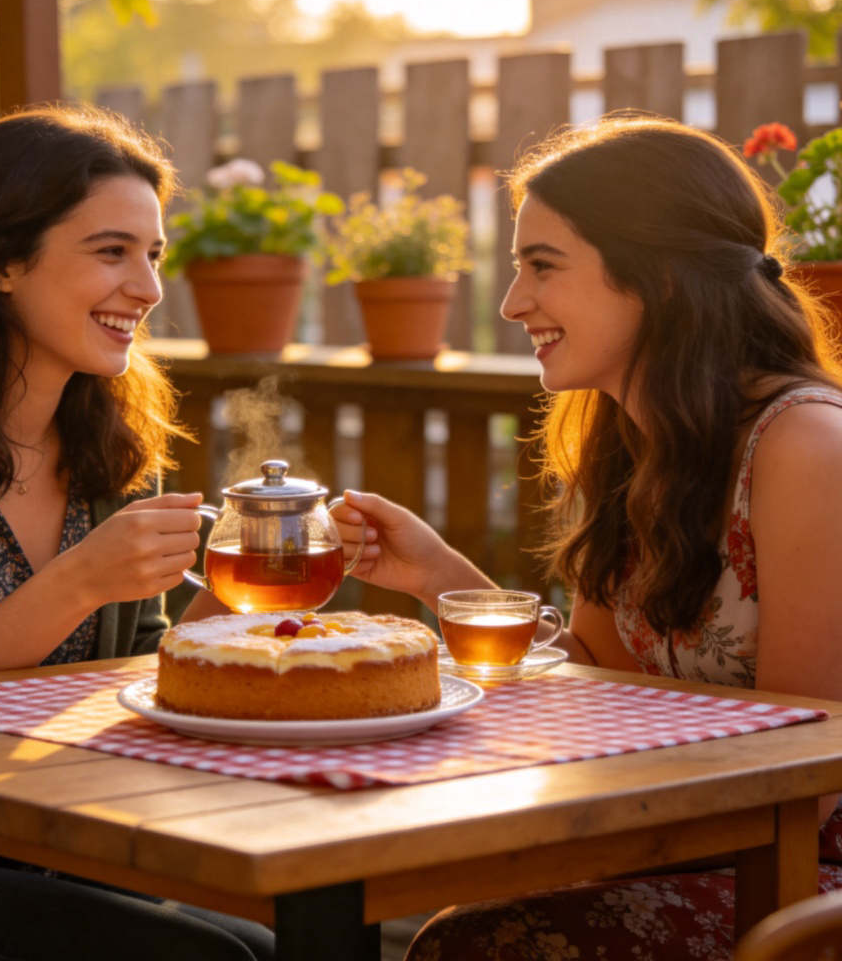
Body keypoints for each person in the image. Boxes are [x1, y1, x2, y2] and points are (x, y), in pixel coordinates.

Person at [333, 113, 842, 960]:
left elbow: (802, 774)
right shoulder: (632, 444)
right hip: (695, 853)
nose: (511, 303)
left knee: (485, 945)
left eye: (543, 267)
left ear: (662, 278)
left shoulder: (805, 448)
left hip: (806, 883)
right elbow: (595, 680)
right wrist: (441, 579)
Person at [0, 104, 273, 961]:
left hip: (76, 839)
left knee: (266, 946)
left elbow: (137, 674)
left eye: (153, 254)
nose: (148, 288)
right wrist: (79, 582)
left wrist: (234, 602)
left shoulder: (113, 438)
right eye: (112, 252)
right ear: (0, 261)